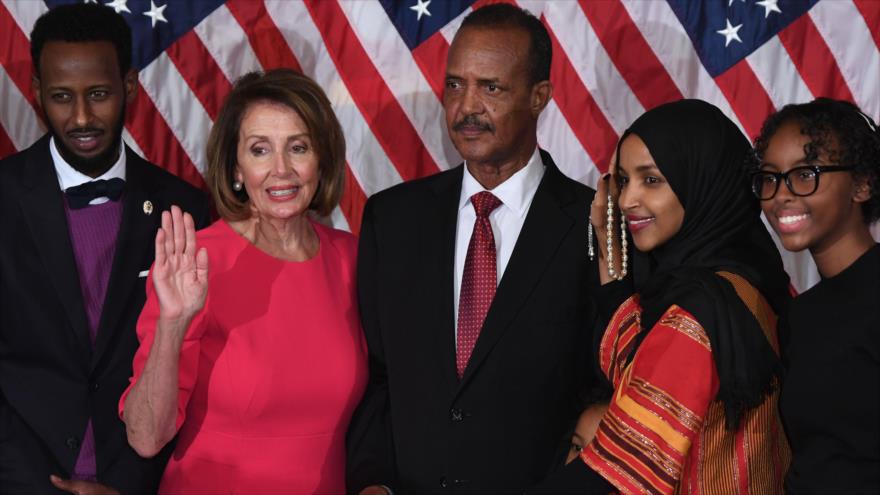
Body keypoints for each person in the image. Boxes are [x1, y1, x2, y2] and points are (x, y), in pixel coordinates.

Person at [346, 4, 601, 494]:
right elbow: (376, 379)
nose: (466, 108)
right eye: (456, 85)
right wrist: (372, 481)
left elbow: (601, 393)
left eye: (491, 88)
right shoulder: (393, 220)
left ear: (538, 97)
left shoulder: (591, 225)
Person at [120, 68, 366, 493]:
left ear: (321, 160)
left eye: (298, 147)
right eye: (259, 150)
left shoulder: (354, 258)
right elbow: (145, 438)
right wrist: (174, 322)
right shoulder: (195, 261)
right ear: (235, 169)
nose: (281, 170)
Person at [0, 4, 210, 494]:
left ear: (129, 87)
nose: (80, 117)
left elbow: (188, 370)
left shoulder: (185, 209)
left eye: (98, 94)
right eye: (60, 97)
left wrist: (130, 485)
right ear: (35, 95)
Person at [533, 99, 792, 494]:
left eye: (651, 180)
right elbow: (639, 376)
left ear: (701, 179)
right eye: (622, 180)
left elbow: (618, 467)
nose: (625, 200)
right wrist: (610, 251)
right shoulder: (744, 282)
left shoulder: (701, 308)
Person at [751, 98, 880, 494]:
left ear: (862, 185)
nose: (781, 195)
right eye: (771, 178)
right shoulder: (801, 314)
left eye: (806, 173)